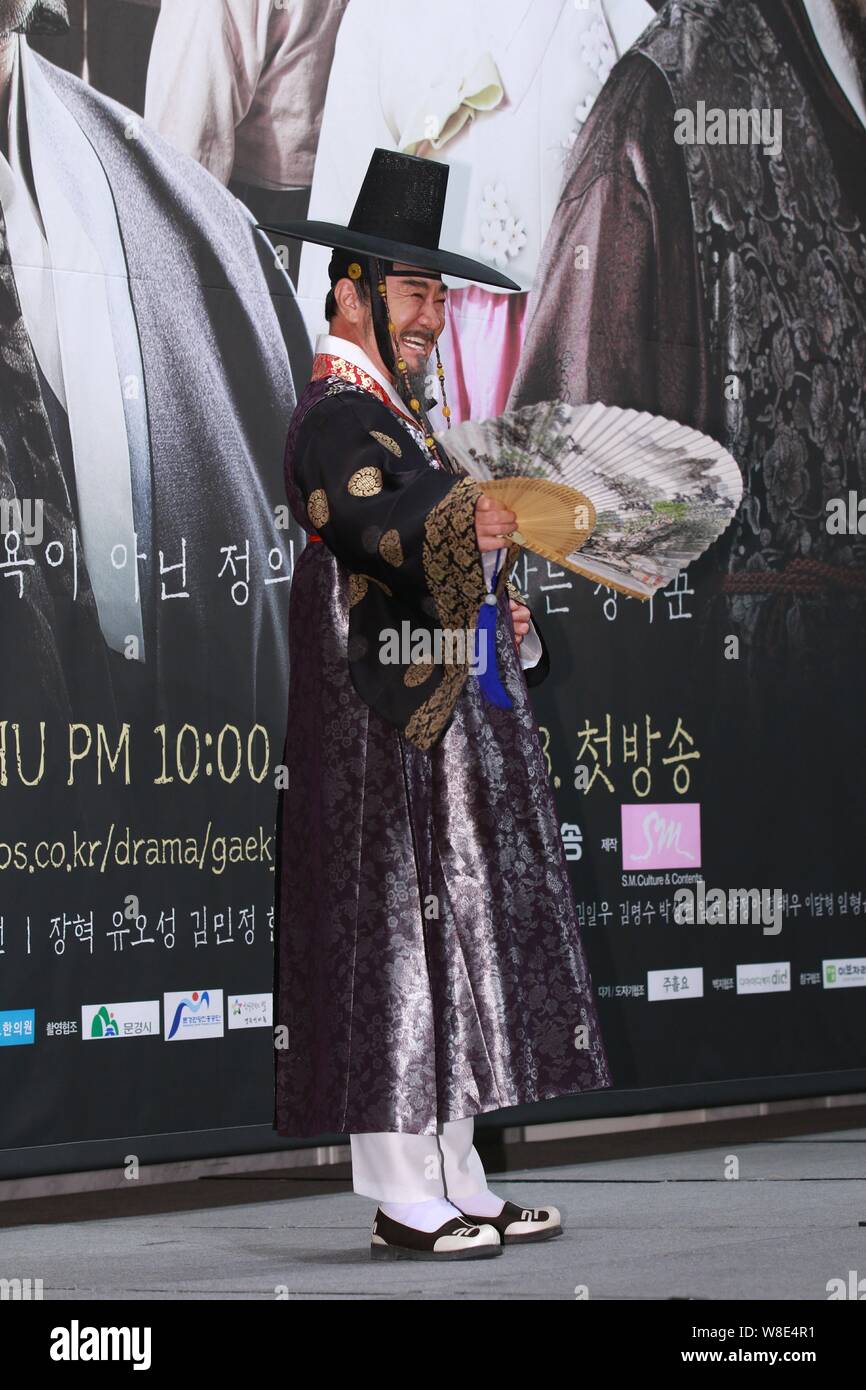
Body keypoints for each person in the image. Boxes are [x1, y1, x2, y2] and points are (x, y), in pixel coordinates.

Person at [265, 148, 614, 1261]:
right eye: (412, 292)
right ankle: (402, 1192)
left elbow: (434, 545)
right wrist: (470, 525)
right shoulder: (333, 416)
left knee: (452, 946)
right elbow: (373, 526)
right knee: (393, 959)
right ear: (349, 292)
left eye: (436, 294)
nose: (429, 315)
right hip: (373, 737)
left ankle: (456, 1171)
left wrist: (505, 617)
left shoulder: (405, 418)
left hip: (430, 731)